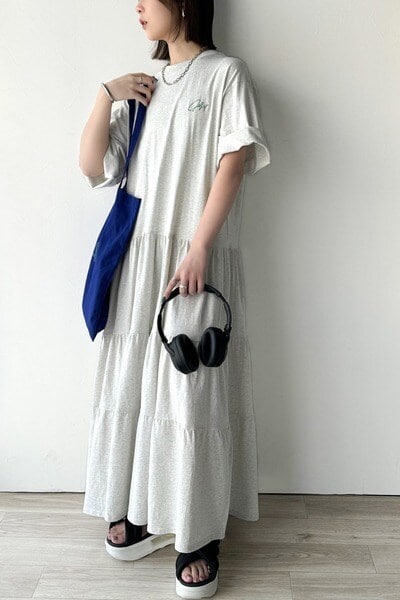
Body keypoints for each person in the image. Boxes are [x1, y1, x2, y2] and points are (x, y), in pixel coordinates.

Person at [78, 0, 270, 598]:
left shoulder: (226, 74)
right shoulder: (142, 87)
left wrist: (200, 247)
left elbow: (233, 161)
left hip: (194, 259)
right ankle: (139, 510)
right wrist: (105, 95)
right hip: (139, 260)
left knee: (192, 393)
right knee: (134, 387)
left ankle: (198, 530)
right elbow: (92, 166)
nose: (137, 6)